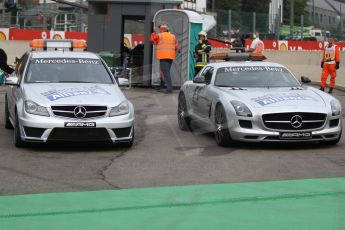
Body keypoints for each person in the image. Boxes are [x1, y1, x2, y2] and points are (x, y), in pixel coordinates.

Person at [150, 23, 178, 94]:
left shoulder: (160, 35)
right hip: (170, 57)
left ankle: (169, 88)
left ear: (162, 29)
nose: (160, 30)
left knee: (166, 73)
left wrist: (153, 32)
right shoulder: (173, 36)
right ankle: (162, 85)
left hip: (163, 56)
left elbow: (152, 40)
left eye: (160, 29)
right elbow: (176, 47)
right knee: (164, 72)